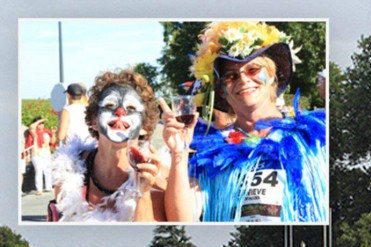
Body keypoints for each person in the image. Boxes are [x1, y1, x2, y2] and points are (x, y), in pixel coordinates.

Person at [170, 21, 328, 222]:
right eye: (231, 76)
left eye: (253, 69)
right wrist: (179, 151)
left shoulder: (315, 137)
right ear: (222, 91)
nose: (243, 80)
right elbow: (182, 218)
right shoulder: (210, 154)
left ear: (271, 75)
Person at [50, 69, 185, 221]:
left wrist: (143, 192)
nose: (120, 112)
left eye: (131, 108)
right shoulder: (69, 171)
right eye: (109, 105)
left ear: (144, 127)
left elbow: (149, 238)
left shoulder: (160, 177)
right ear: (94, 121)